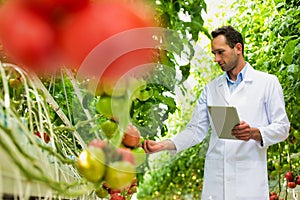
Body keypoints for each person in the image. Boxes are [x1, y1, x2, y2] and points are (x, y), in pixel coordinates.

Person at [142, 26, 290, 200]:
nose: (216, 59)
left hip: (249, 183)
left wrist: (254, 133)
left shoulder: (267, 83)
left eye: (220, 52)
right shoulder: (211, 89)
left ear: (238, 49)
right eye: (213, 53)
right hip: (216, 182)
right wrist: (164, 145)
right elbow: (195, 130)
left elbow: (283, 128)